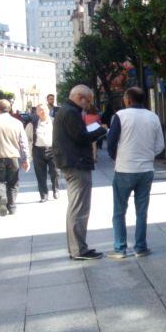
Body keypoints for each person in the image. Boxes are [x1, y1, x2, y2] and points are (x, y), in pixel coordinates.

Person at [106, 87, 164, 259]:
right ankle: (140, 247)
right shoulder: (153, 117)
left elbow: (111, 142)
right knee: (141, 211)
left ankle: (120, 248)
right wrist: (147, 155)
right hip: (146, 170)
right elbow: (160, 145)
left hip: (124, 169)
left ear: (128, 100)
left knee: (119, 211)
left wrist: (117, 157)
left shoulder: (120, 116)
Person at [53, 85, 108, 260]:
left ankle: (77, 248)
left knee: (76, 207)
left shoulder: (67, 110)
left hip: (72, 162)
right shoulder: (70, 112)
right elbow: (80, 137)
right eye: (88, 101)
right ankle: (79, 249)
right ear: (79, 96)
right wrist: (101, 130)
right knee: (79, 208)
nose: (88, 104)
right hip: (76, 163)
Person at [0, 99, 30, 216]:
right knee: (13, 183)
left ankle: (2, 198)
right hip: (13, 156)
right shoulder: (17, 123)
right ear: (9, 109)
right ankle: (12, 207)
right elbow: (23, 143)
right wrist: (25, 159)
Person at [25, 103, 59, 202]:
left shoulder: (55, 122)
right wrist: (29, 150)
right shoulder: (33, 123)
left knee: (55, 172)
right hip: (38, 151)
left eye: (44, 109)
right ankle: (43, 195)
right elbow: (26, 137)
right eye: (40, 110)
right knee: (40, 174)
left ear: (48, 110)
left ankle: (55, 190)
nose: (42, 111)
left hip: (52, 150)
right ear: (37, 112)